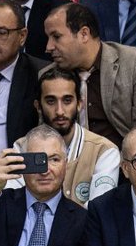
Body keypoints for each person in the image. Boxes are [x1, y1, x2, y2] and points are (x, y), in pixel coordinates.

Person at [43, 3, 136, 148]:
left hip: (123, 158)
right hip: (68, 160)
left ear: (84, 34)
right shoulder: (48, 76)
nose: (48, 47)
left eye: (56, 37)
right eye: (48, 38)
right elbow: (44, 136)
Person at [9, 68, 119, 205]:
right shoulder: (22, 148)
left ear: (79, 104)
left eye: (67, 100)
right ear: (38, 106)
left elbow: (97, 212)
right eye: (51, 101)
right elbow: (14, 205)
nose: (60, 111)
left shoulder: (104, 150)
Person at [0, 0, 41, 168]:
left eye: (1, 32)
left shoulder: (40, 75)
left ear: (22, 36)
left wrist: (5, 169)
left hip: (14, 175)